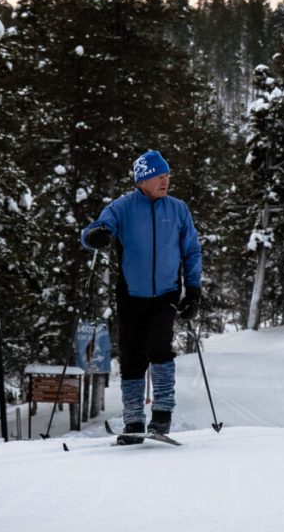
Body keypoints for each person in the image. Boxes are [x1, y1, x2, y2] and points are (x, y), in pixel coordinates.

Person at [81, 150, 202, 440]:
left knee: (160, 346)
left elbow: (191, 250)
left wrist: (194, 291)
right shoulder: (122, 208)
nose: (165, 180)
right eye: (159, 176)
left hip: (166, 293)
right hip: (131, 293)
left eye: (168, 175)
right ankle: (133, 421)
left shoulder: (178, 209)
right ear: (142, 180)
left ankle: (162, 415)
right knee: (132, 355)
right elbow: (92, 231)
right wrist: (95, 236)